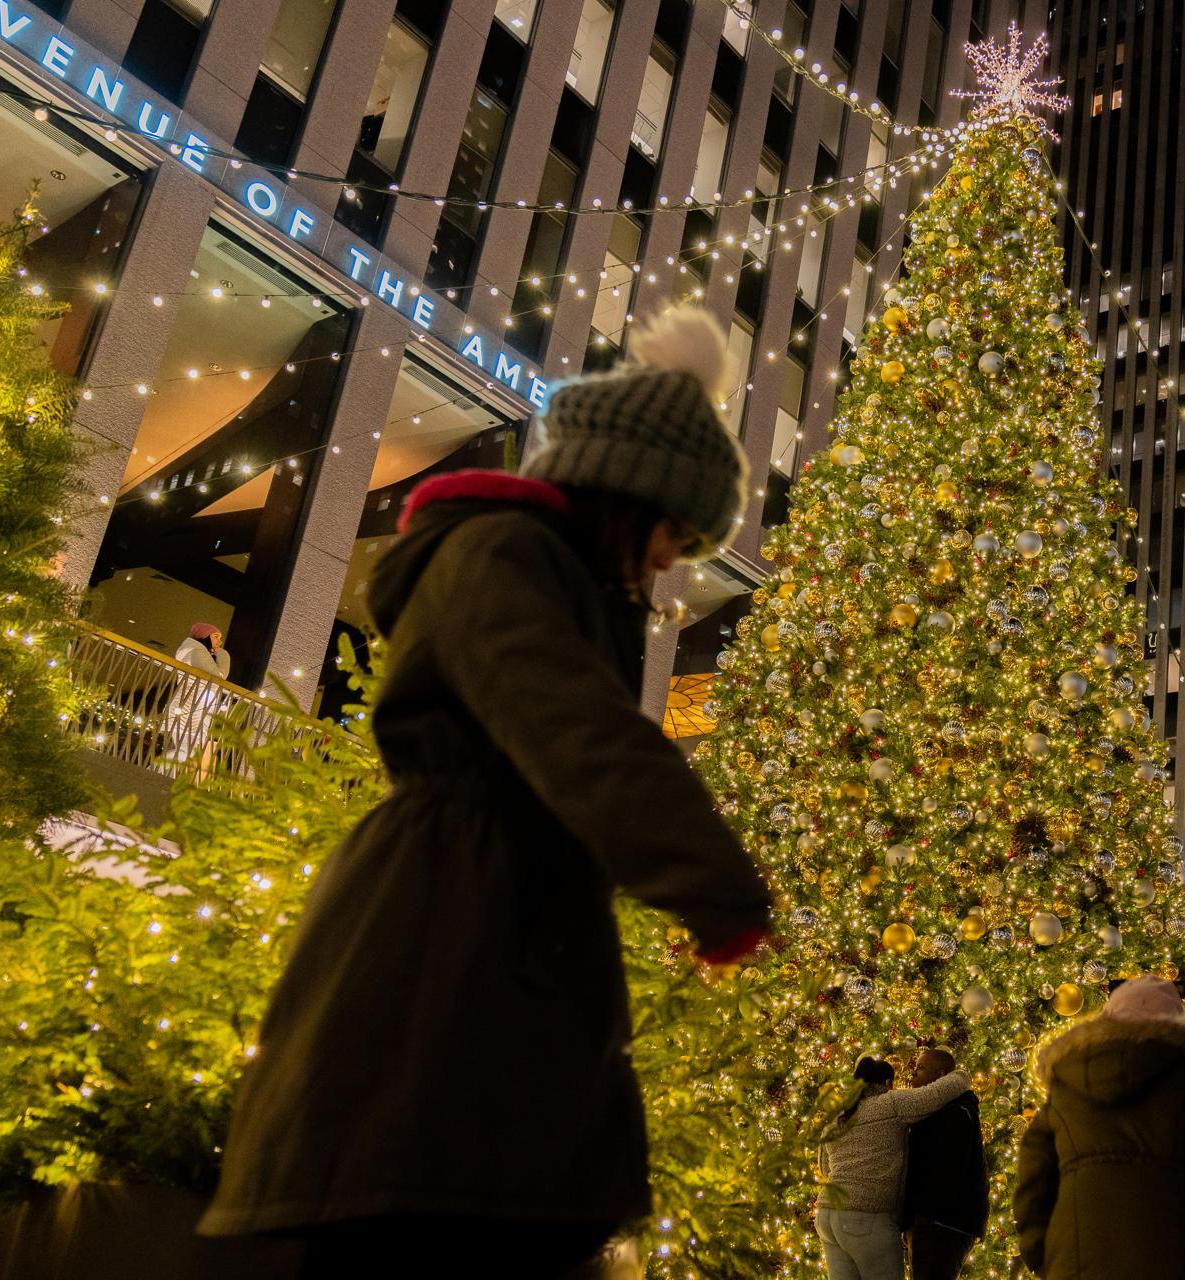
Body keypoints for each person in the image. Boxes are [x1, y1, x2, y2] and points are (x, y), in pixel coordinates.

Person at [197, 307, 773, 1277]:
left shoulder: (534, 570)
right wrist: (718, 888)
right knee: (442, 1206)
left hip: (483, 919)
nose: (673, 562)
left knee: (477, 1206)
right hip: (450, 932)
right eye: (674, 529)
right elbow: (577, 728)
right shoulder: (502, 557)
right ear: (625, 498)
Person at [1014, 975, 1185, 1279]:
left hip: (1076, 1259)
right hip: (1171, 1256)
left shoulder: (1067, 1082)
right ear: (1177, 1023)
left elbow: (1033, 1177)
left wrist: (1041, 1254)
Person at [816, 1055, 972, 1280]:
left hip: (827, 1217)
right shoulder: (890, 1103)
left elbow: (825, 1168)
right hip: (867, 1216)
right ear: (887, 1084)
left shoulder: (838, 1117)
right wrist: (962, 1075)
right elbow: (937, 1093)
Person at [901, 1048, 988, 1280]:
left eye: (921, 1068)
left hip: (941, 1224)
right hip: (937, 1221)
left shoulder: (954, 1113)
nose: (913, 1075)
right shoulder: (942, 1111)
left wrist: (918, 1218)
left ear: (940, 1076)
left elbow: (946, 1173)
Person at [167, 622, 231, 763]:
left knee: (188, 752)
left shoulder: (196, 652)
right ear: (204, 636)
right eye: (215, 636)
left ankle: (161, 773)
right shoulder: (197, 652)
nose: (219, 641)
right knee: (187, 752)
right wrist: (222, 653)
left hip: (194, 707)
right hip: (190, 708)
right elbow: (220, 675)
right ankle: (156, 771)